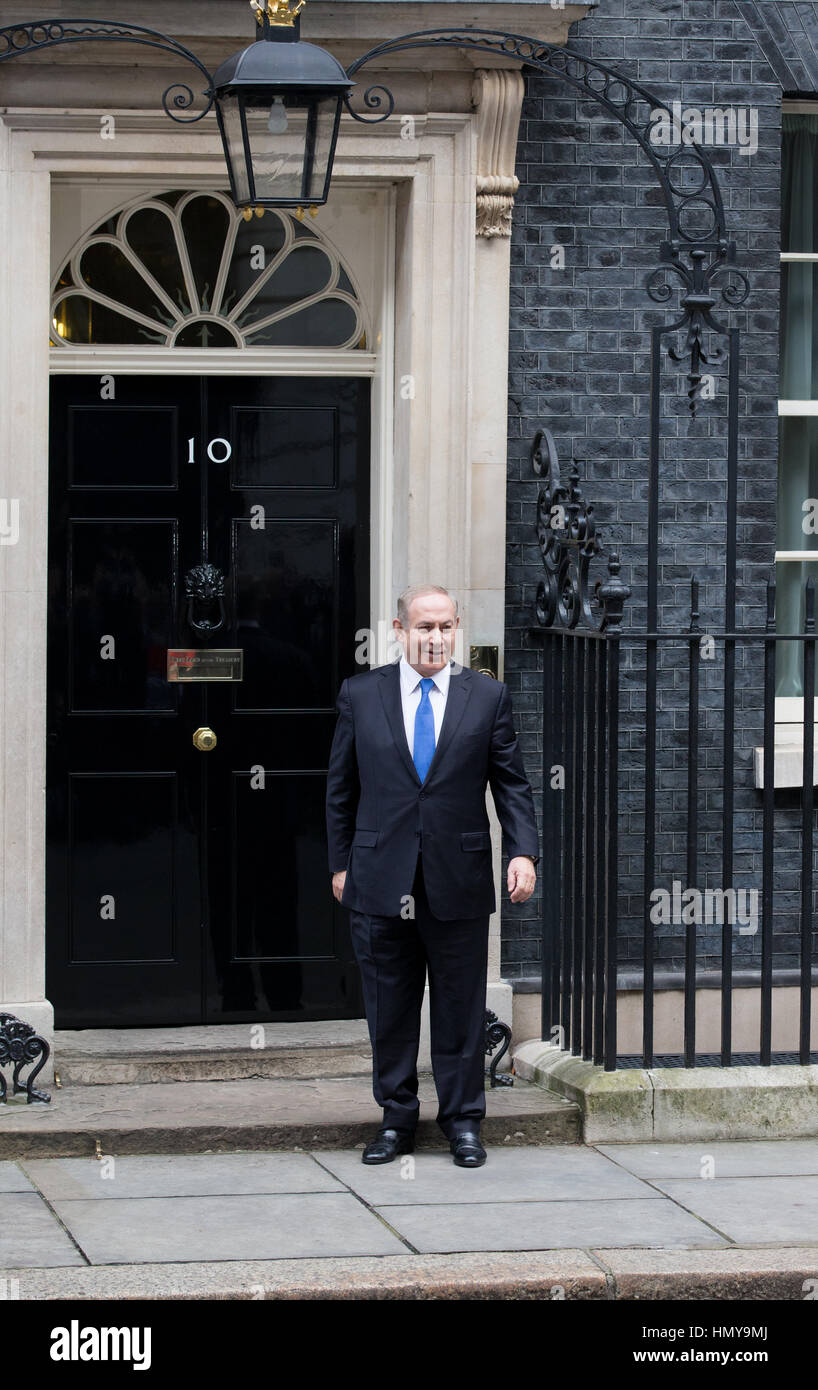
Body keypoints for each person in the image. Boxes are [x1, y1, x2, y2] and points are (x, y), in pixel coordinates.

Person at [325, 585, 539, 1168]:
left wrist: (523, 852)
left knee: (459, 1008)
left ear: (457, 629)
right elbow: (340, 790)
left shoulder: (487, 696)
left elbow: (512, 784)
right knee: (389, 1009)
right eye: (424, 627)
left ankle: (463, 1121)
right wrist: (340, 864)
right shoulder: (361, 695)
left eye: (445, 627)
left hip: (458, 878)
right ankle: (396, 1120)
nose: (435, 638)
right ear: (399, 629)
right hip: (378, 877)